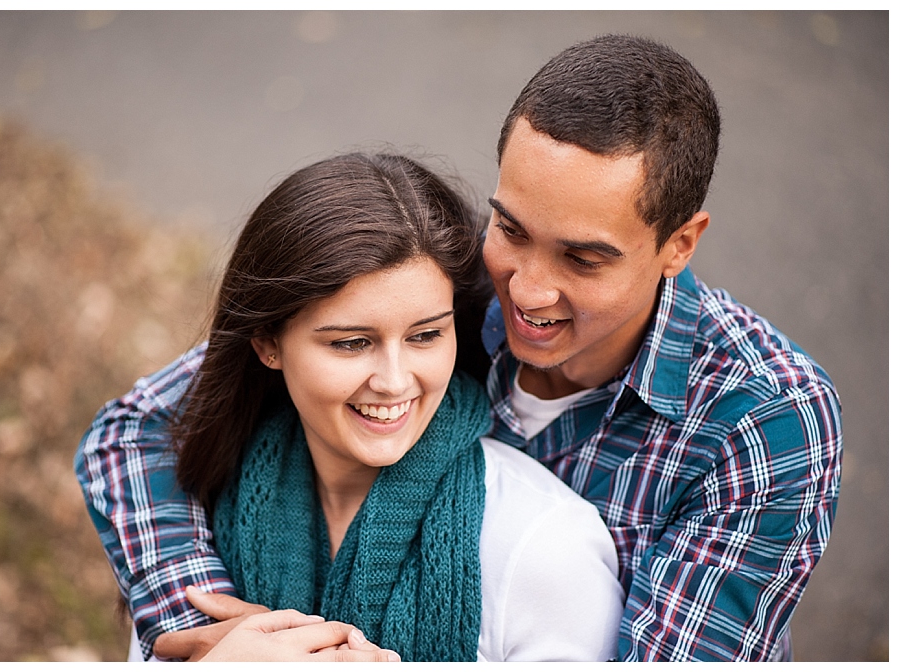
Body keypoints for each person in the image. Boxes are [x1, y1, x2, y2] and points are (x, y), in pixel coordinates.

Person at [76, 35, 843, 662]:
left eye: (582, 259)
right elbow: (139, 427)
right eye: (511, 228)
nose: (526, 290)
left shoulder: (764, 422)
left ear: (679, 244)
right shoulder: (439, 290)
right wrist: (213, 631)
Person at [77, 152, 623, 662]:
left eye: (426, 335)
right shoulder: (204, 504)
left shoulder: (545, 551)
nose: (392, 381)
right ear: (268, 344)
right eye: (350, 343)